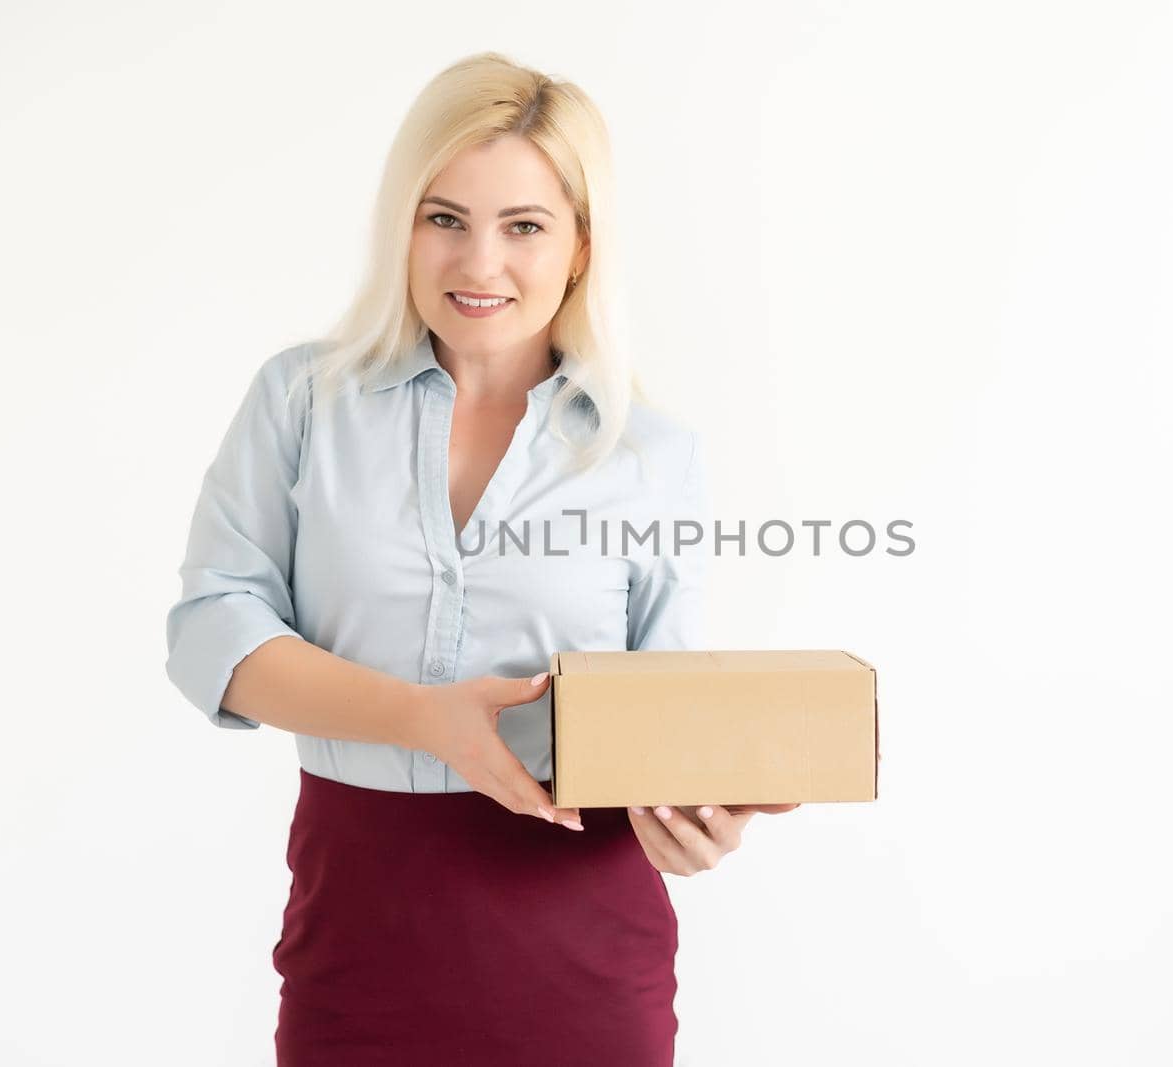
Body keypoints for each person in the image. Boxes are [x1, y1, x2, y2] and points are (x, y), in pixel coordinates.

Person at [164, 51, 796, 1065]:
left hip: (586, 956)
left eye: (524, 227)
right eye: (444, 217)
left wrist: (700, 816)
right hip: (356, 940)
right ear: (401, 223)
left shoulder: (653, 454)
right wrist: (427, 719)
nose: (478, 264)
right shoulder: (301, 403)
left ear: (581, 246)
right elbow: (211, 633)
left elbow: (661, 714)